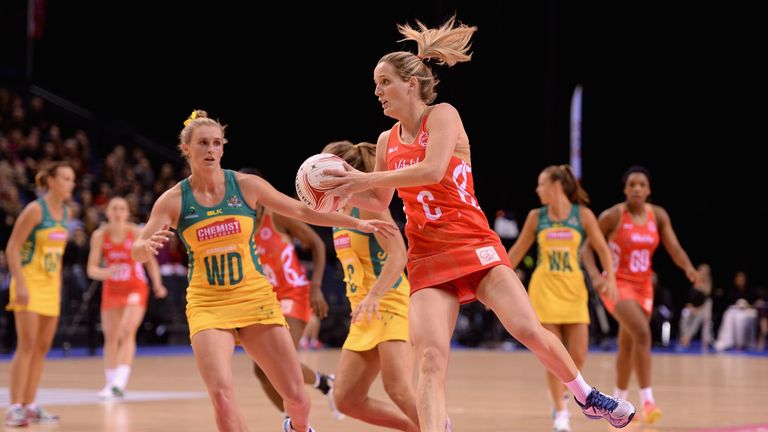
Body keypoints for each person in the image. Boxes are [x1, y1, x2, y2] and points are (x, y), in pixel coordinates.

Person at [320, 17, 635, 432]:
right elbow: (379, 200)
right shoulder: (385, 141)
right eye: (376, 84)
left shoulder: (443, 116)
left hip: (472, 242)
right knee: (431, 361)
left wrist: (366, 179)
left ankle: (586, 395)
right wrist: (337, 192)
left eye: (384, 83)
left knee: (526, 329)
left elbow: (432, 171)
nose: (376, 92)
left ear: (411, 85)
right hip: (427, 255)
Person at [131, 110, 396, 432]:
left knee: (296, 396)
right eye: (203, 143)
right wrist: (142, 249)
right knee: (221, 394)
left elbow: (301, 209)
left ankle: (298, 427)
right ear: (187, 148)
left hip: (255, 297)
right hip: (207, 303)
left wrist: (356, 221)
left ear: (224, 147)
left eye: (217, 143)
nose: (211, 149)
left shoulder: (245, 186)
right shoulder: (173, 200)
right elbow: (139, 245)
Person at [582, 165, 698, 425]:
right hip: (616, 283)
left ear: (649, 190)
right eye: (632, 184)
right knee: (643, 333)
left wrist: (689, 267)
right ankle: (648, 401)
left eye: (641, 185)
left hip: (644, 286)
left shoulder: (657, 215)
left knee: (628, 343)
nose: (636, 188)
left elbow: (674, 248)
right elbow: (586, 249)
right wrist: (596, 278)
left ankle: (618, 402)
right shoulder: (613, 216)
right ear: (625, 189)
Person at [507, 164, 617, 432]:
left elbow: (603, 249)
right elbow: (517, 251)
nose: (537, 189)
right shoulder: (537, 216)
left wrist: (610, 278)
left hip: (574, 290)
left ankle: (566, 390)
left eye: (541, 184)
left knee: (578, 354)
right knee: (552, 354)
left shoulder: (583, 216)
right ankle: (560, 413)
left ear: (556, 185)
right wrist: (494, 283)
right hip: (544, 291)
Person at [323, 140, 420, 431]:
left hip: (389, 301)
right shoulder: (336, 209)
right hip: (364, 310)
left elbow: (398, 255)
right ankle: (421, 426)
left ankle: (437, 426)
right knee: (346, 398)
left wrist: (375, 295)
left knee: (398, 388)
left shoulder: (367, 204)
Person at [241, 167, 341, 420]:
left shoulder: (276, 216)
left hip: (293, 294)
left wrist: (316, 287)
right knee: (260, 370)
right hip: (263, 299)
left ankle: (309, 403)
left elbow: (317, 244)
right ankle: (296, 415)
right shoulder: (238, 222)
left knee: (281, 361)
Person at [4, 161, 75, 427]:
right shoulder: (35, 210)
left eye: (72, 180)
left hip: (49, 286)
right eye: (66, 179)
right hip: (29, 283)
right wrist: (20, 284)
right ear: (52, 181)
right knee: (27, 345)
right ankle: (14, 408)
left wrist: (56, 286)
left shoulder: (66, 212)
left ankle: (30, 404)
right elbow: (12, 247)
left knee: (42, 348)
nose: (71, 184)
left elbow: (57, 256)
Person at [87, 196, 168, 398]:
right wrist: (105, 273)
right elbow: (91, 269)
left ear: (127, 213)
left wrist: (158, 284)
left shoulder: (136, 233)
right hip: (112, 289)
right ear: (107, 213)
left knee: (127, 330)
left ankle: (120, 383)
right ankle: (110, 382)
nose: (117, 212)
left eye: (121, 208)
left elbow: (150, 262)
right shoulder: (99, 236)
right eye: (113, 208)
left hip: (135, 287)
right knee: (111, 336)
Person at [677, 263, 713, 352]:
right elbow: (689, 299)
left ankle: (687, 339)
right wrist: (690, 306)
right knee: (685, 313)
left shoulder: (707, 286)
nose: (702, 274)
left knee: (697, 319)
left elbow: (706, 303)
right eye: (700, 272)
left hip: (702, 310)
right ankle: (684, 336)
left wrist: (697, 309)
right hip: (692, 308)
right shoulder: (693, 282)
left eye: (704, 273)